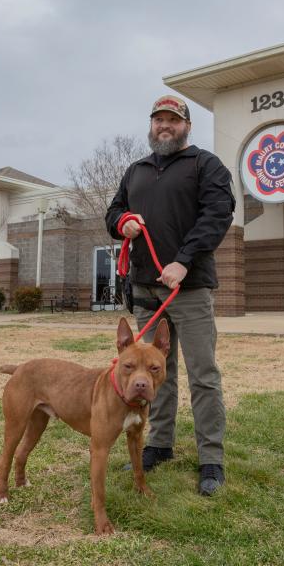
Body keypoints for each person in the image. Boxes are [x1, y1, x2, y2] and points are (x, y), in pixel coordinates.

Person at [105, 94, 235, 496]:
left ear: (187, 126)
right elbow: (112, 214)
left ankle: (211, 458)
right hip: (146, 289)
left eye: (173, 120)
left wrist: (183, 260)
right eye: (159, 119)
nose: (165, 125)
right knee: (156, 374)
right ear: (151, 125)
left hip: (190, 288)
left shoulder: (205, 165)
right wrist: (122, 223)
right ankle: (159, 445)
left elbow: (217, 214)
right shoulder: (136, 170)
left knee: (203, 375)